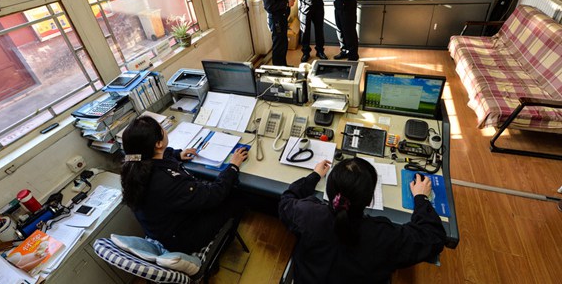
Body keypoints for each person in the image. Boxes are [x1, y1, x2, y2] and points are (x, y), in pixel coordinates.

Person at [278, 158, 446, 284]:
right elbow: (433, 237)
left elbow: (286, 199)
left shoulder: (307, 213)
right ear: (369, 200)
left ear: (330, 192)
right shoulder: (383, 236)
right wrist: (421, 198)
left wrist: (314, 176)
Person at [120, 116, 248, 253]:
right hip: (184, 238)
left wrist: (178, 154)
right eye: (161, 127)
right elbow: (214, 195)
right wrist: (233, 166)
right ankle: (224, 244)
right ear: (158, 144)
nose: (164, 128)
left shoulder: (133, 164)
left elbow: (163, 156)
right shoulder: (167, 182)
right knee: (238, 196)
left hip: (165, 226)